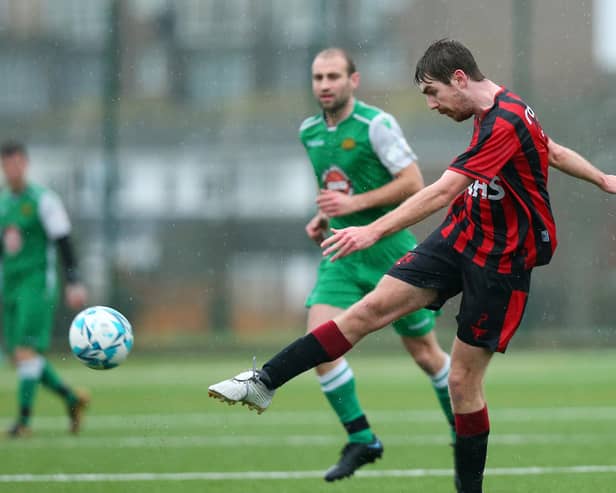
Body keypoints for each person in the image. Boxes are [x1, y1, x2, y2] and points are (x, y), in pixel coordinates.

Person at [208, 39, 616, 493]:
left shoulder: (507, 119)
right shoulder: (492, 110)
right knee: (367, 311)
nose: (431, 104)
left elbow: (441, 191)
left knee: (462, 383)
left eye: (433, 92)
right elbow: (554, 151)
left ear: (460, 78)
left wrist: (372, 230)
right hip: (461, 236)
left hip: (502, 261)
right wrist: (602, 178)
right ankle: (264, 381)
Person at [296, 48, 454, 481]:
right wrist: (326, 217)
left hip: (389, 251)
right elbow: (337, 186)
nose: (325, 84)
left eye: (333, 76)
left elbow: (413, 183)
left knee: (424, 354)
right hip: (342, 255)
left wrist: (355, 205)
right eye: (317, 77)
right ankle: (362, 438)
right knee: (319, 345)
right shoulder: (309, 131)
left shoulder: (376, 125)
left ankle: (464, 430)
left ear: (354, 80)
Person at [0, 140, 90, 437]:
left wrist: (74, 281)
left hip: (36, 284)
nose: (10, 168)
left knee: (26, 351)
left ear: (25, 164)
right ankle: (72, 398)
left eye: (15, 162)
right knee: (19, 357)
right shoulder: (2, 202)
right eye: (5, 163)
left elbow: (63, 239)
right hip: (10, 286)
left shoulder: (43, 200)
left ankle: (23, 423)